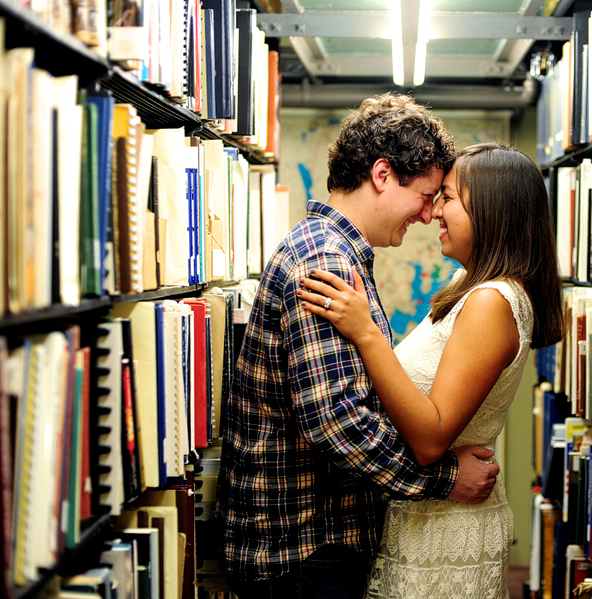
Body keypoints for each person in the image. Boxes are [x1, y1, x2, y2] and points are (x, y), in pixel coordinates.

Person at [215, 94, 501, 599]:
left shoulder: (333, 249)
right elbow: (337, 421)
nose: (429, 213)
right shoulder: (325, 260)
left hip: (308, 543)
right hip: (303, 549)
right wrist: (444, 480)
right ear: (383, 174)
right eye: (427, 194)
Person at [297, 142, 565, 598]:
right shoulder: (467, 285)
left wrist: (365, 333)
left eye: (450, 197)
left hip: (447, 529)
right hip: (423, 516)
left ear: (491, 211)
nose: (435, 211)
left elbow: (430, 438)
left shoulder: (491, 302)